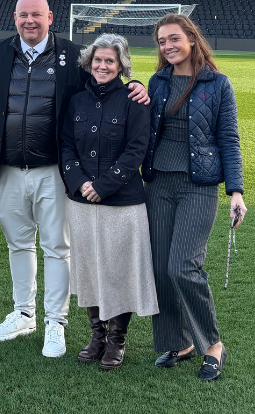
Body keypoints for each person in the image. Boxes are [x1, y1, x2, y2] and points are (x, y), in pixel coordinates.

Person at [0, 0, 149, 358]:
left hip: (54, 171)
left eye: (36, 15)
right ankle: (24, 313)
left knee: (57, 248)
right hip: (7, 169)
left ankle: (56, 322)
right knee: (17, 244)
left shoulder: (73, 55)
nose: (30, 22)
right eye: (23, 15)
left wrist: (138, 86)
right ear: (15, 17)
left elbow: (105, 84)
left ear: (50, 17)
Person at [142, 14, 247, 381]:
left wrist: (236, 191)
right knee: (158, 268)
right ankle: (179, 342)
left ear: (191, 38)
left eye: (173, 38)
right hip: (157, 184)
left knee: (182, 266)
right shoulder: (157, 82)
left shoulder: (217, 84)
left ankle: (212, 344)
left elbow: (229, 141)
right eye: (161, 41)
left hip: (198, 186)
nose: (167, 46)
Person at [60, 33, 159, 370]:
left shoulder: (135, 101)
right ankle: (97, 336)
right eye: (98, 60)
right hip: (82, 202)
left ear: (121, 66)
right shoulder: (75, 101)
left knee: (118, 271)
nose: (102, 66)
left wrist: (103, 185)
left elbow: (136, 151)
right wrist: (79, 182)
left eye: (110, 61)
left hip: (123, 203)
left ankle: (117, 340)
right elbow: (66, 148)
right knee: (88, 269)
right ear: (89, 63)